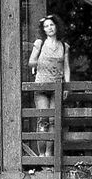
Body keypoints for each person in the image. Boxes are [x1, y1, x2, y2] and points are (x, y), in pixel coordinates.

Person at [27, 16, 69, 157]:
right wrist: (38, 64)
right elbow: (31, 61)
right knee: (43, 119)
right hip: (41, 86)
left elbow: (66, 67)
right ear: (43, 30)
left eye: (51, 25)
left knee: (53, 120)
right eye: (46, 26)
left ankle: (49, 155)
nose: (49, 28)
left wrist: (67, 86)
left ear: (56, 26)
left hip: (57, 86)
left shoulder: (64, 46)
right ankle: (41, 155)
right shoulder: (40, 43)